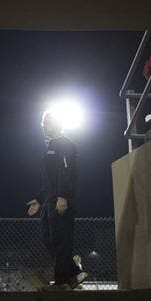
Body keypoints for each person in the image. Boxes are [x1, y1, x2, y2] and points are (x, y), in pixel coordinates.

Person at [26, 111, 89, 290]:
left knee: (61, 241)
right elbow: (49, 180)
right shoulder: (49, 148)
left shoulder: (66, 145)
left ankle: (61, 281)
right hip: (48, 202)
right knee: (48, 240)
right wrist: (39, 200)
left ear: (57, 124)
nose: (43, 126)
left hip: (60, 201)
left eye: (47, 123)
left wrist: (63, 196)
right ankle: (74, 271)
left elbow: (67, 172)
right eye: (43, 123)